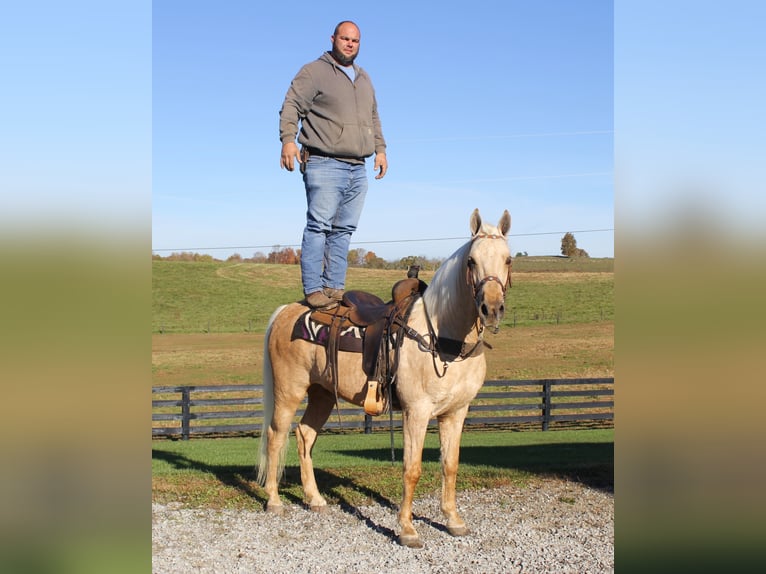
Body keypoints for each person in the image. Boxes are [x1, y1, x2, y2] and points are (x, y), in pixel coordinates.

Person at [279, 20, 388, 309]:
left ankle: (334, 287)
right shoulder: (314, 71)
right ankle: (314, 288)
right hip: (325, 161)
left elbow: (373, 117)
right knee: (319, 226)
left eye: (355, 40)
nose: (350, 44)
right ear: (333, 38)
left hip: (358, 165)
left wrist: (380, 149)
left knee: (344, 229)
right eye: (345, 38)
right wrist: (288, 140)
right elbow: (291, 104)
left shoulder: (364, 78)